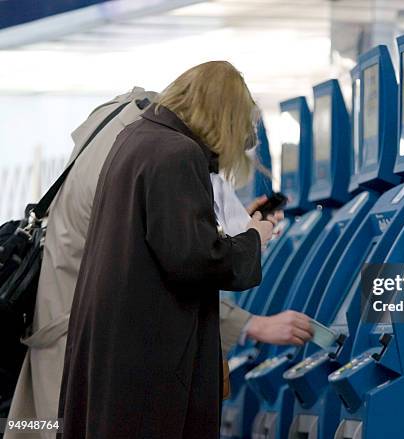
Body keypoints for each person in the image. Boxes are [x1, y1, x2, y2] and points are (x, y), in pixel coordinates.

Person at [7, 85, 312, 438]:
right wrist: (252, 317)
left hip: (67, 338)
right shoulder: (161, 151)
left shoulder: (121, 126)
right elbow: (173, 264)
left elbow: (158, 240)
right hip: (98, 352)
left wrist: (216, 230)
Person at [55, 61, 268, 438]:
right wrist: (255, 238)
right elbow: (195, 260)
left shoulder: (138, 139)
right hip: (149, 363)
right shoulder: (177, 153)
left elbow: (168, 239)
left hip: (118, 351)